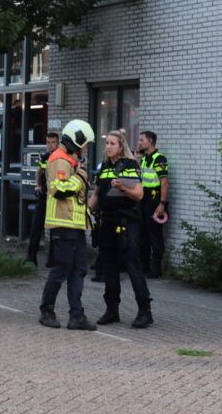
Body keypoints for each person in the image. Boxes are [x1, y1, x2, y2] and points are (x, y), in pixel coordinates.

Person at [89, 129, 153, 328]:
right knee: (109, 267)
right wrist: (84, 212)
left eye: (112, 143)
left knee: (133, 266)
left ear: (121, 146)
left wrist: (123, 188)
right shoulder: (104, 167)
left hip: (127, 223)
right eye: (106, 143)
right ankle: (112, 310)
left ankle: (145, 311)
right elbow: (97, 194)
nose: (108, 147)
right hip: (107, 222)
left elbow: (139, 195)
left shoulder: (130, 165)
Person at [38, 119, 97, 331]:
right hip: (62, 224)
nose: (87, 148)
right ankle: (46, 310)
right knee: (61, 269)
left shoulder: (71, 160)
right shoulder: (59, 160)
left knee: (79, 270)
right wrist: (81, 176)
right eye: (85, 144)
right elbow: (59, 190)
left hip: (76, 225)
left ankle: (76, 316)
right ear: (76, 141)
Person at [137, 130, 170, 278]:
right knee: (143, 234)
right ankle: (144, 266)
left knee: (155, 235)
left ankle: (156, 269)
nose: (140, 142)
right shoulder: (144, 158)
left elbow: (164, 182)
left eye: (142, 140)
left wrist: (162, 203)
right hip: (144, 199)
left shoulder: (159, 158)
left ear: (150, 141)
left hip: (154, 200)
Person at [26, 131, 59, 265]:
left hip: (56, 198)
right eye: (48, 142)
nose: (50, 145)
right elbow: (39, 172)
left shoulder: (60, 158)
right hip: (44, 197)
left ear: (58, 143)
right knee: (36, 226)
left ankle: (52, 259)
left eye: (53, 142)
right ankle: (31, 257)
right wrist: (38, 186)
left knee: (54, 230)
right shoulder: (45, 157)